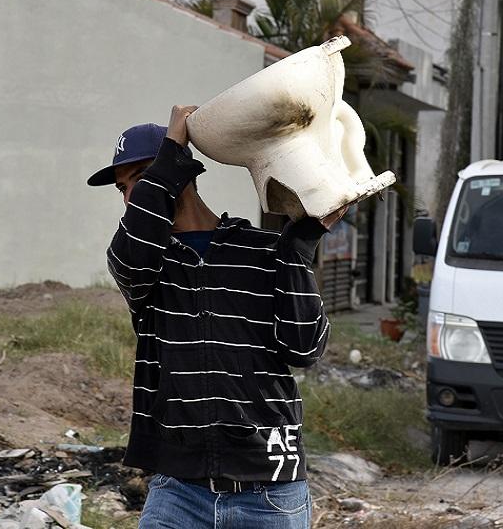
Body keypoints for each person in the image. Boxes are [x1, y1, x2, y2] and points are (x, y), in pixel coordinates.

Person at [87, 106, 346, 529]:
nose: (131, 198)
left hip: (270, 492)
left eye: (139, 180)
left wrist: (298, 251)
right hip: (178, 492)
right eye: (123, 189)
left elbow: (304, 348)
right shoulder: (139, 263)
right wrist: (171, 151)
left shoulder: (264, 251)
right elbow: (135, 251)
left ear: (179, 176)